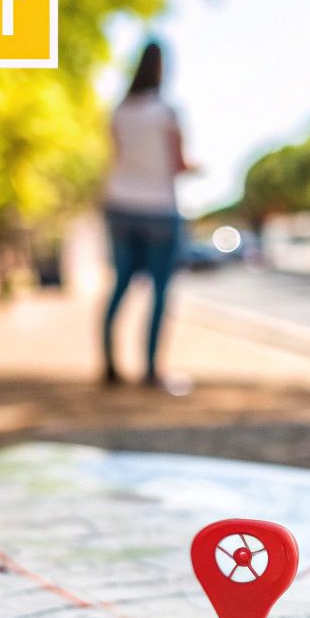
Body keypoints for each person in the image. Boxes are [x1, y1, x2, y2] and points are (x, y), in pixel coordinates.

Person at [100, 41, 191, 389]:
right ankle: (150, 370)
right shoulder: (167, 112)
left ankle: (109, 364)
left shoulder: (119, 112)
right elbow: (178, 163)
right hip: (159, 208)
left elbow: (118, 157)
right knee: (160, 291)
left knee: (120, 284)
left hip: (119, 203)